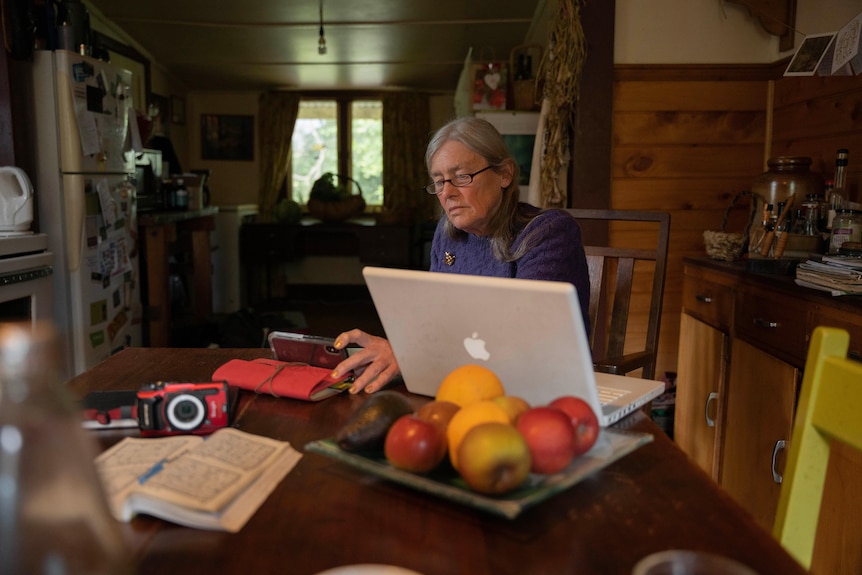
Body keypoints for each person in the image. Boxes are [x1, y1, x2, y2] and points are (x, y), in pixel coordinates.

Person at [331, 116, 590, 394]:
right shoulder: (448, 234)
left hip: (541, 391)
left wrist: (411, 357)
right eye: (439, 181)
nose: (447, 193)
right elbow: (438, 325)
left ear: (504, 174)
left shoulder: (548, 232)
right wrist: (399, 352)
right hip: (468, 381)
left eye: (461, 177)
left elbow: (523, 343)